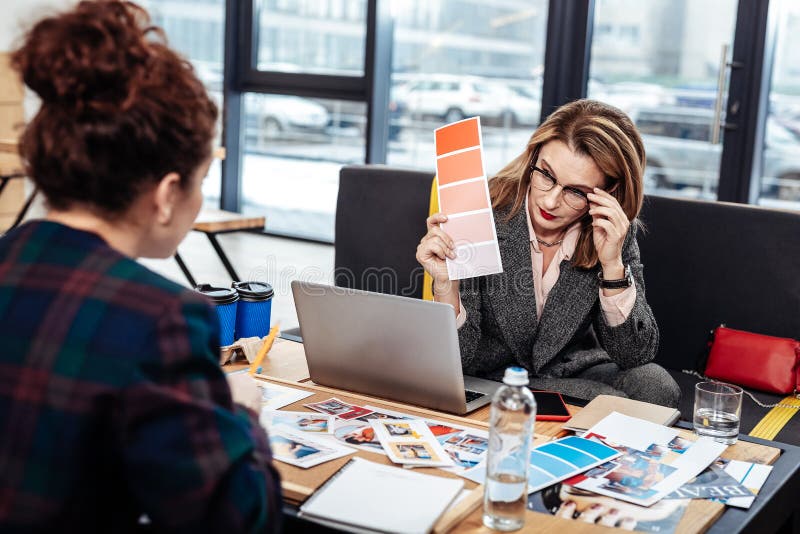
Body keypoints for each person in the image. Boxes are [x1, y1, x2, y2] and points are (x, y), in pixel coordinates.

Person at [0, 1, 281, 531]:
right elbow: (241, 520)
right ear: (168, 194)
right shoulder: (161, 319)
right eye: (202, 180)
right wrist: (240, 412)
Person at [416, 99, 680, 408]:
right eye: (546, 175)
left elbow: (634, 355)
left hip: (567, 370)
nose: (551, 201)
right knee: (614, 403)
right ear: (533, 157)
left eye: (576, 191)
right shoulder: (480, 210)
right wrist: (447, 285)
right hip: (491, 374)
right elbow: (455, 360)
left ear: (609, 193)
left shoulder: (613, 228)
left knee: (655, 386)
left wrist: (612, 266)